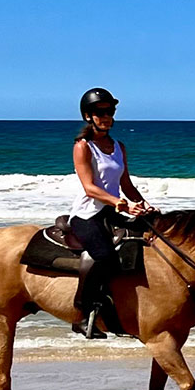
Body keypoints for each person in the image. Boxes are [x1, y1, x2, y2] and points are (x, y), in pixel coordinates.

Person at [69, 87, 151, 338]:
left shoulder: (118, 146)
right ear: (88, 116)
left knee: (147, 240)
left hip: (111, 211)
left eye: (110, 111)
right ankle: (83, 315)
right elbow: (90, 187)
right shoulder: (83, 147)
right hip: (87, 214)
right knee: (104, 256)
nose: (106, 117)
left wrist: (144, 204)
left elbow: (126, 183)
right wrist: (120, 203)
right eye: (100, 112)